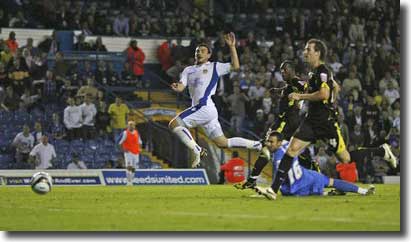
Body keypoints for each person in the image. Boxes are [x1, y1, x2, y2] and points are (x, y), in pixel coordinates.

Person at [259, 39, 397, 200]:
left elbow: (324, 94)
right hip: (311, 121)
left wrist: (301, 96)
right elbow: (335, 87)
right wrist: (332, 99)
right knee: (291, 150)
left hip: (326, 123)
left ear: (317, 53)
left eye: (308, 49)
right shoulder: (314, 73)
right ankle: (273, 190)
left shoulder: (322, 71)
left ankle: (382, 151)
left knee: (346, 159)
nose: (305, 52)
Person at [169, 32, 261, 168]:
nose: (199, 53)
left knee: (174, 124)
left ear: (208, 55)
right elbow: (182, 86)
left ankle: (197, 150)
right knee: (222, 142)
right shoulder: (188, 70)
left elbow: (235, 66)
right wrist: (177, 87)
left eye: (202, 51)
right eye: (197, 51)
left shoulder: (214, 66)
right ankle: (256, 144)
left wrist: (232, 47)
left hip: (204, 107)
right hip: (206, 110)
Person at [248, 132, 375, 198]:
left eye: (272, 142)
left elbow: (279, 179)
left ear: (279, 142)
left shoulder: (278, 159)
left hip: (296, 189)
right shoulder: (288, 145)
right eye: (268, 141)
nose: (269, 144)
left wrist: (264, 190)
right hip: (307, 177)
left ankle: (329, 193)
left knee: (324, 186)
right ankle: (362, 191)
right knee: (330, 182)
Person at [118, 121, 142, 185]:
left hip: (136, 152)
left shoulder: (137, 133)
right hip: (128, 152)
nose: (131, 126)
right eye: (130, 125)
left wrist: (140, 148)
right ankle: (128, 181)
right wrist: (123, 149)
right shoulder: (125, 133)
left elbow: (140, 142)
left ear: (134, 126)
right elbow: (119, 143)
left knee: (134, 167)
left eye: (132, 125)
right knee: (129, 166)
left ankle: (132, 179)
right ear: (127, 126)